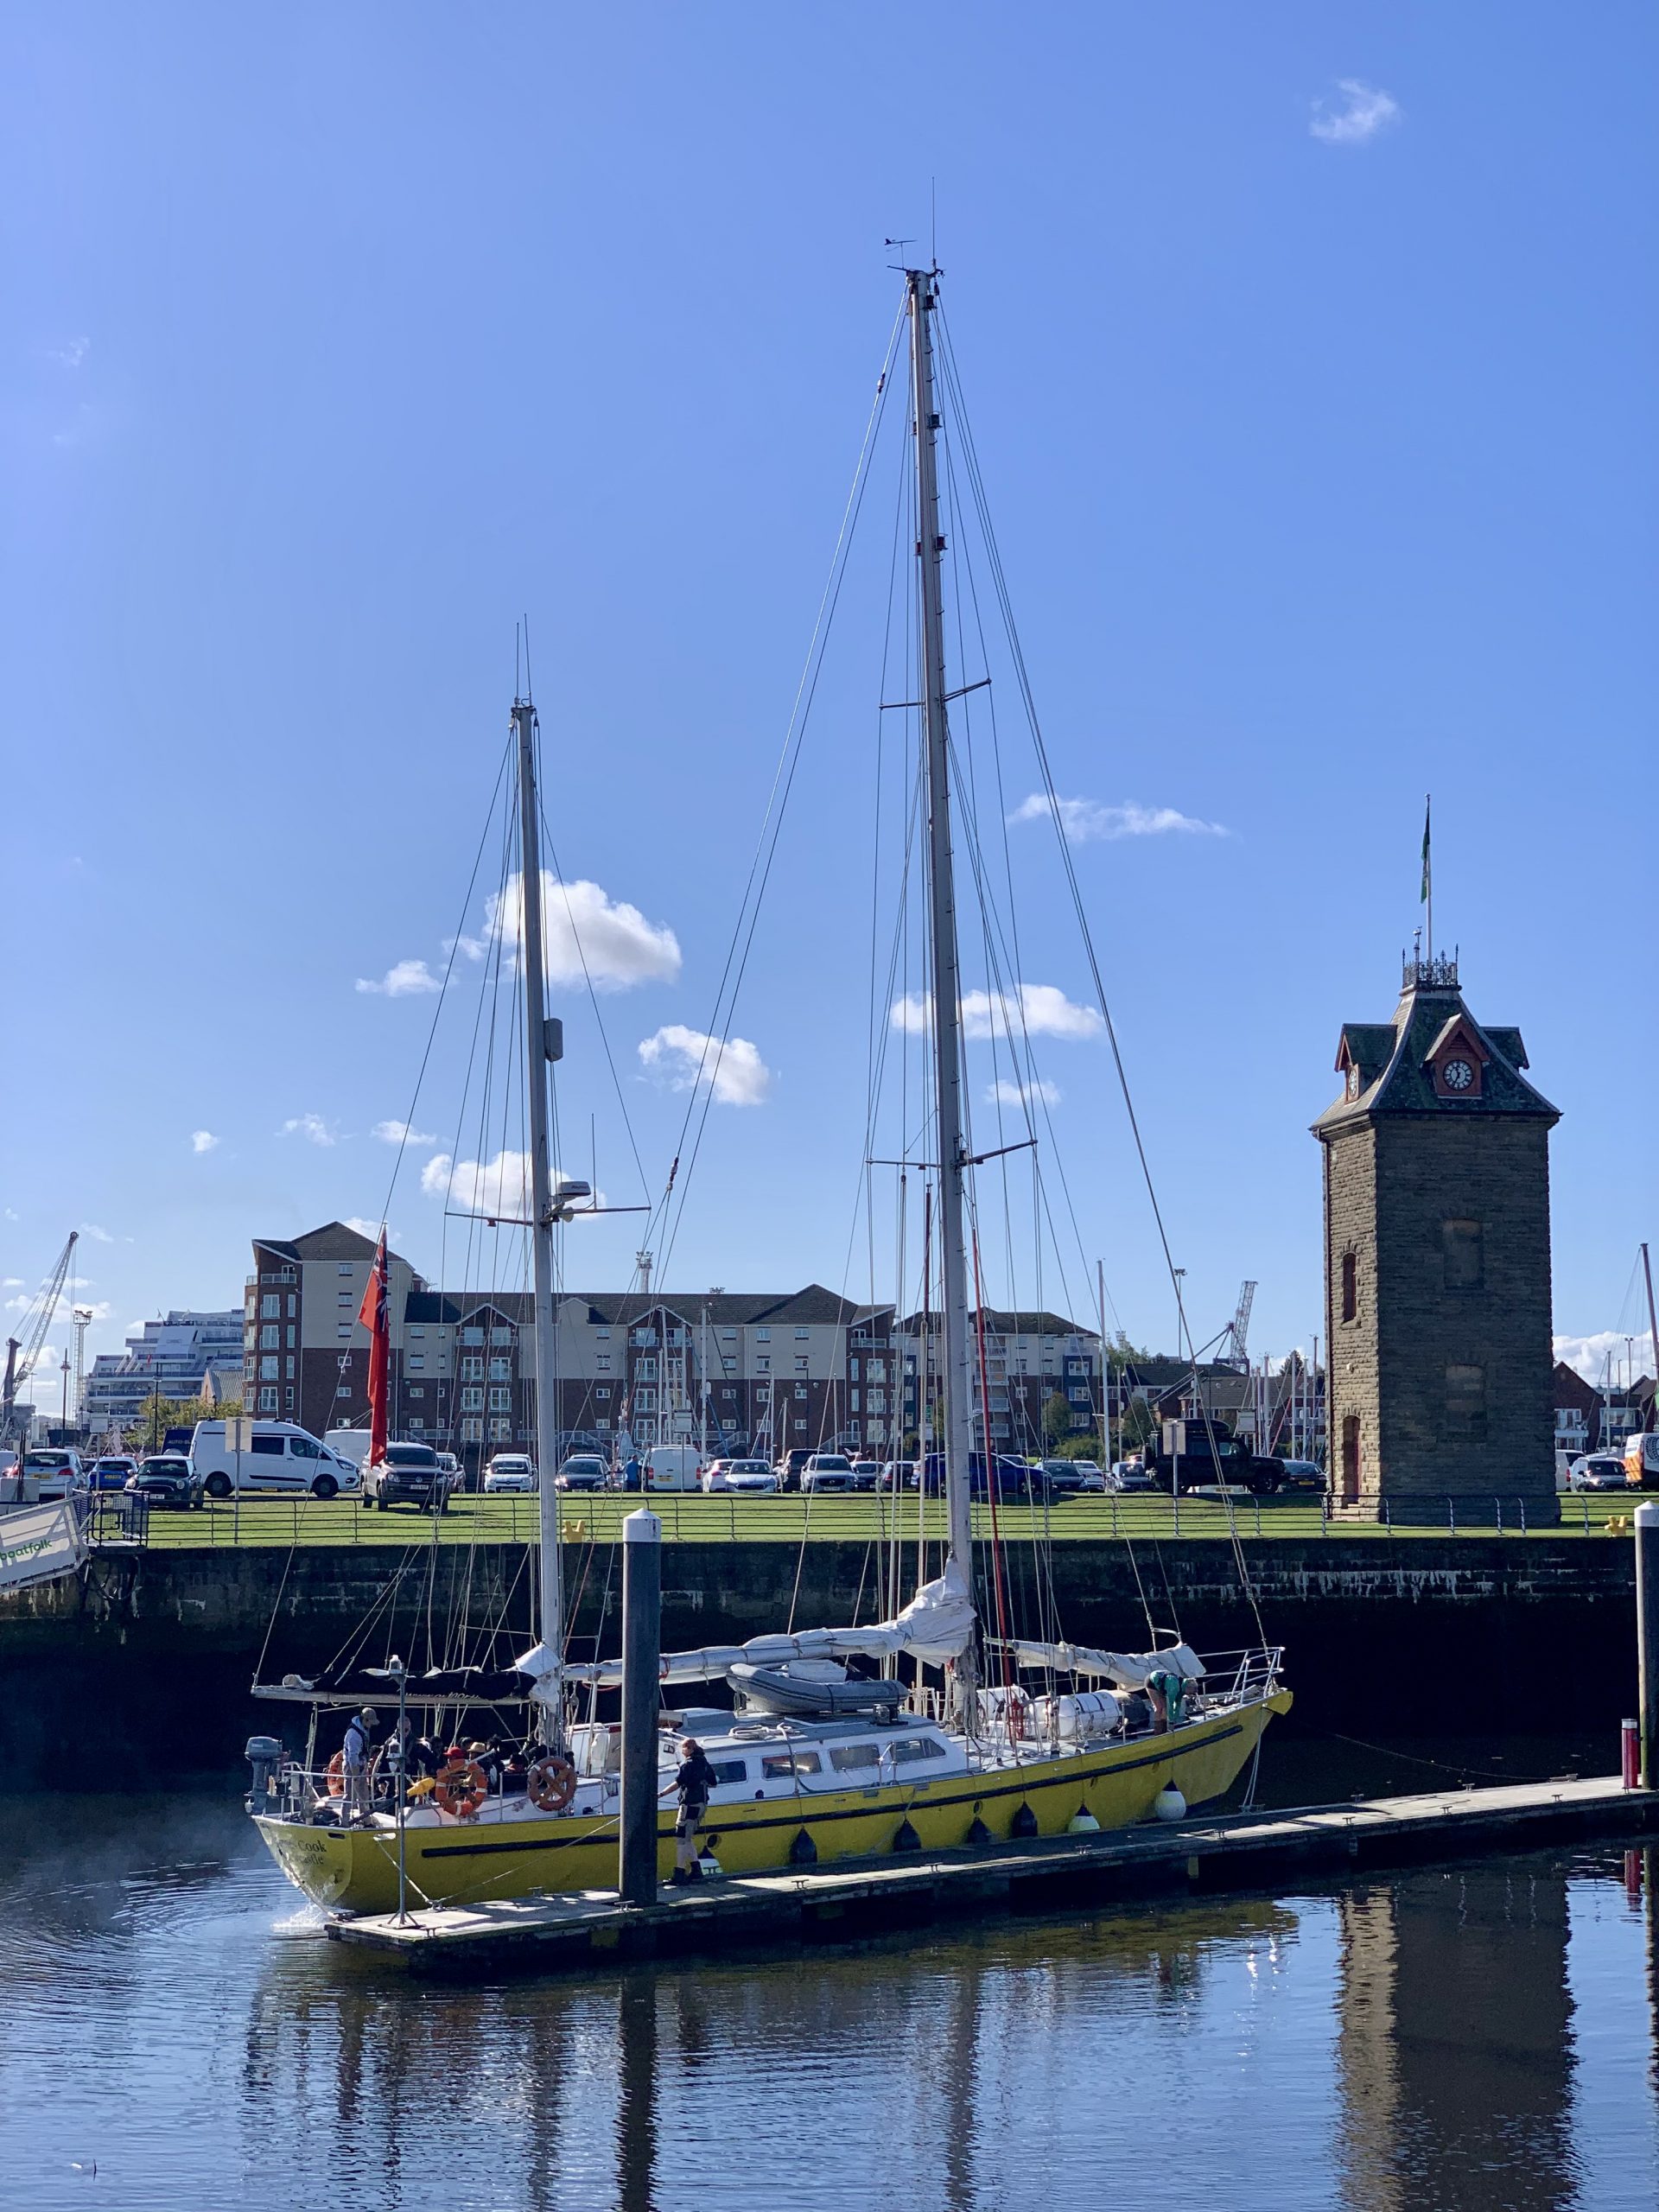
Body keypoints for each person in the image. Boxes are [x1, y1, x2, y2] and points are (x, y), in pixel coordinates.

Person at [669, 1737, 717, 1885]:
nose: (682, 1751)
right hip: (701, 1805)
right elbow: (713, 1783)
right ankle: (696, 1870)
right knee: (688, 1838)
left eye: (683, 1748)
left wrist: (661, 1794)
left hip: (689, 1805)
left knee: (681, 1838)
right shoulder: (704, 1763)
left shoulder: (687, 1765)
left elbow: (678, 1783)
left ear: (689, 1749)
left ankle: (680, 1872)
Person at [340, 1707, 378, 1822]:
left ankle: (365, 1819)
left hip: (362, 1764)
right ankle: (345, 1821)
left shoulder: (364, 1729)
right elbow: (352, 1757)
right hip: (352, 1766)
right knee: (349, 1795)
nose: (371, 1726)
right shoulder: (354, 1735)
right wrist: (355, 1776)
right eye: (371, 1722)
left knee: (363, 1794)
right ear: (365, 1720)